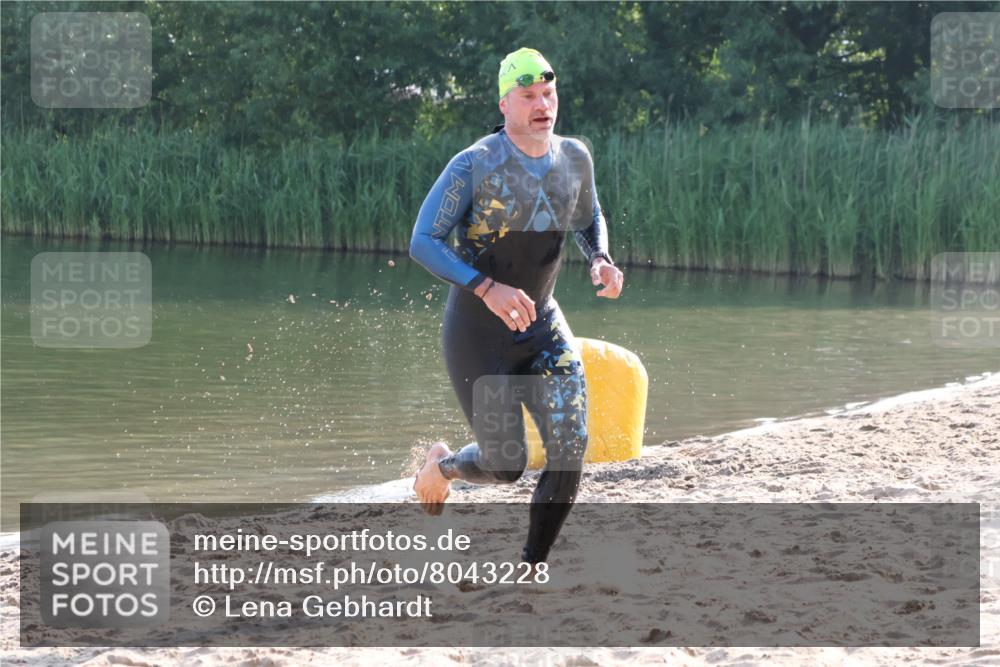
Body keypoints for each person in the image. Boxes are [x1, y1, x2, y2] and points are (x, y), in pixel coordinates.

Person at [409, 47, 624, 566]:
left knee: (571, 447)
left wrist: (599, 257)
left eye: (548, 94)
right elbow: (423, 241)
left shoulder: (574, 156)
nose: (541, 104)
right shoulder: (476, 163)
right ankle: (442, 468)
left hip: (544, 324)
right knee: (507, 466)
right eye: (528, 96)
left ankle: (531, 567)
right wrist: (487, 287)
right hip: (478, 336)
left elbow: (590, 213)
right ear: (504, 104)